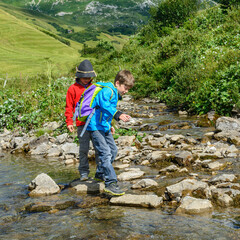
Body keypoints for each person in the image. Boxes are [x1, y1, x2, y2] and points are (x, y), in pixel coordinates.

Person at [87, 70, 135, 195]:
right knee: (106, 152)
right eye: (125, 87)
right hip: (95, 126)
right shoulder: (108, 90)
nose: (126, 91)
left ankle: (100, 174)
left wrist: (109, 125)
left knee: (113, 150)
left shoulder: (115, 94)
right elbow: (103, 105)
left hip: (103, 126)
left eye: (128, 89)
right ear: (118, 83)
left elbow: (103, 112)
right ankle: (110, 183)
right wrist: (118, 114)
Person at [65, 59, 98, 181]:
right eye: (85, 77)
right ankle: (84, 173)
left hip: (95, 124)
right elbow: (69, 107)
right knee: (83, 149)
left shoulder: (95, 88)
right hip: (81, 124)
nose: (87, 79)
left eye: (89, 77)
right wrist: (69, 122)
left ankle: (100, 172)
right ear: (79, 76)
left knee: (98, 148)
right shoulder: (72, 89)